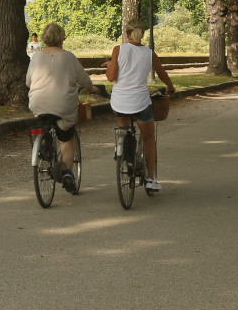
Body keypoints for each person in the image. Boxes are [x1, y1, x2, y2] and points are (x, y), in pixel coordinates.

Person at [25, 23, 96, 193]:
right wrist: (92, 88)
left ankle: (43, 146)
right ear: (61, 38)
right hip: (63, 104)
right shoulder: (69, 57)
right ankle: (68, 173)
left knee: (43, 122)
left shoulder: (36, 57)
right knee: (66, 138)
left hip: (38, 103)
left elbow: (28, 82)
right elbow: (84, 80)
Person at [107, 24, 177, 192]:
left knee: (122, 117)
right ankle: (151, 178)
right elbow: (161, 73)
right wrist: (170, 87)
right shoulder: (149, 53)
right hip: (139, 102)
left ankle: (120, 144)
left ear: (126, 33)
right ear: (142, 35)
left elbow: (111, 77)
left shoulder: (118, 49)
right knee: (149, 137)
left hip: (119, 102)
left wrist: (110, 64)